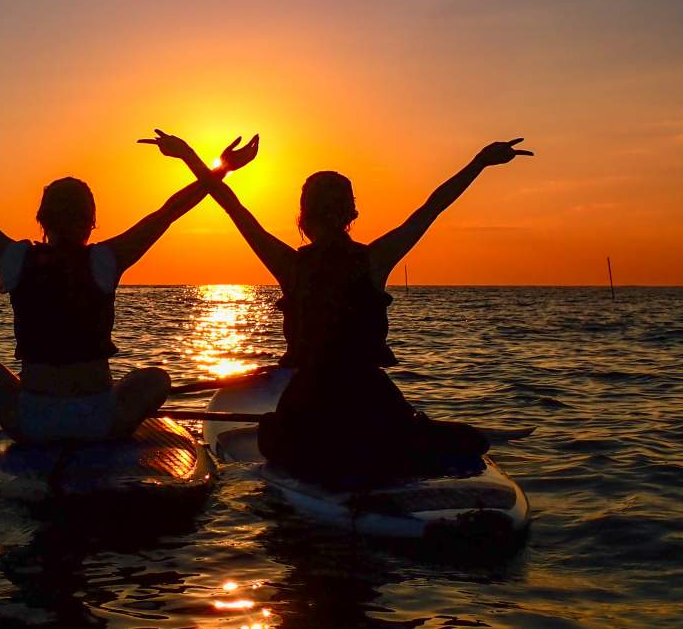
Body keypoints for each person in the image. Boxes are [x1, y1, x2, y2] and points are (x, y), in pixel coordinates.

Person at [139, 129, 533, 486]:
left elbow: (231, 205)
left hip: (309, 411)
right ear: (351, 215)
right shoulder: (375, 260)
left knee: (275, 438)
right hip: (372, 406)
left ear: (303, 217)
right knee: (442, 438)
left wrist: (192, 156)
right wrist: (480, 162)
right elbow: (432, 208)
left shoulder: (290, 266)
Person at [0, 127, 258, 443]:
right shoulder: (107, 259)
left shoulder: (14, 257)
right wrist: (221, 169)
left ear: (41, 219)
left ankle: (24, 415)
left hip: (32, 422)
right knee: (157, 379)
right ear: (91, 220)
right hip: (99, 421)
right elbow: (170, 211)